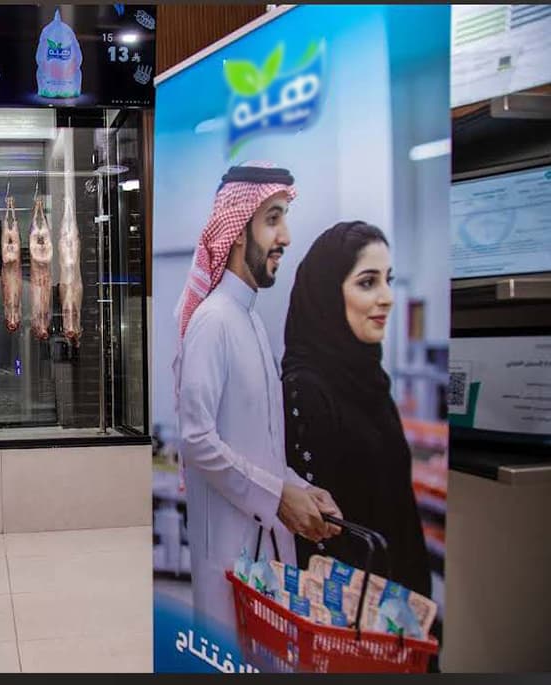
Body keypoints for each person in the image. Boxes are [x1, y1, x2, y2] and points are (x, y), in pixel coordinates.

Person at [174, 161, 342, 632]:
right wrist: (278, 496)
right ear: (237, 230)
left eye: (283, 217)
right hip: (230, 552)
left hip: (268, 553)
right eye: (272, 218)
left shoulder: (252, 323)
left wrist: (299, 490)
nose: (285, 236)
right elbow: (196, 440)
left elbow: (259, 447)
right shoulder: (213, 322)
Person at [282, 221, 431, 597]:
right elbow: (317, 534)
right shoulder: (306, 388)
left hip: (398, 601)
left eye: (388, 279)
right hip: (348, 618)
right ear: (328, 295)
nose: (387, 297)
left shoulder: (372, 382)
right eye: (368, 282)